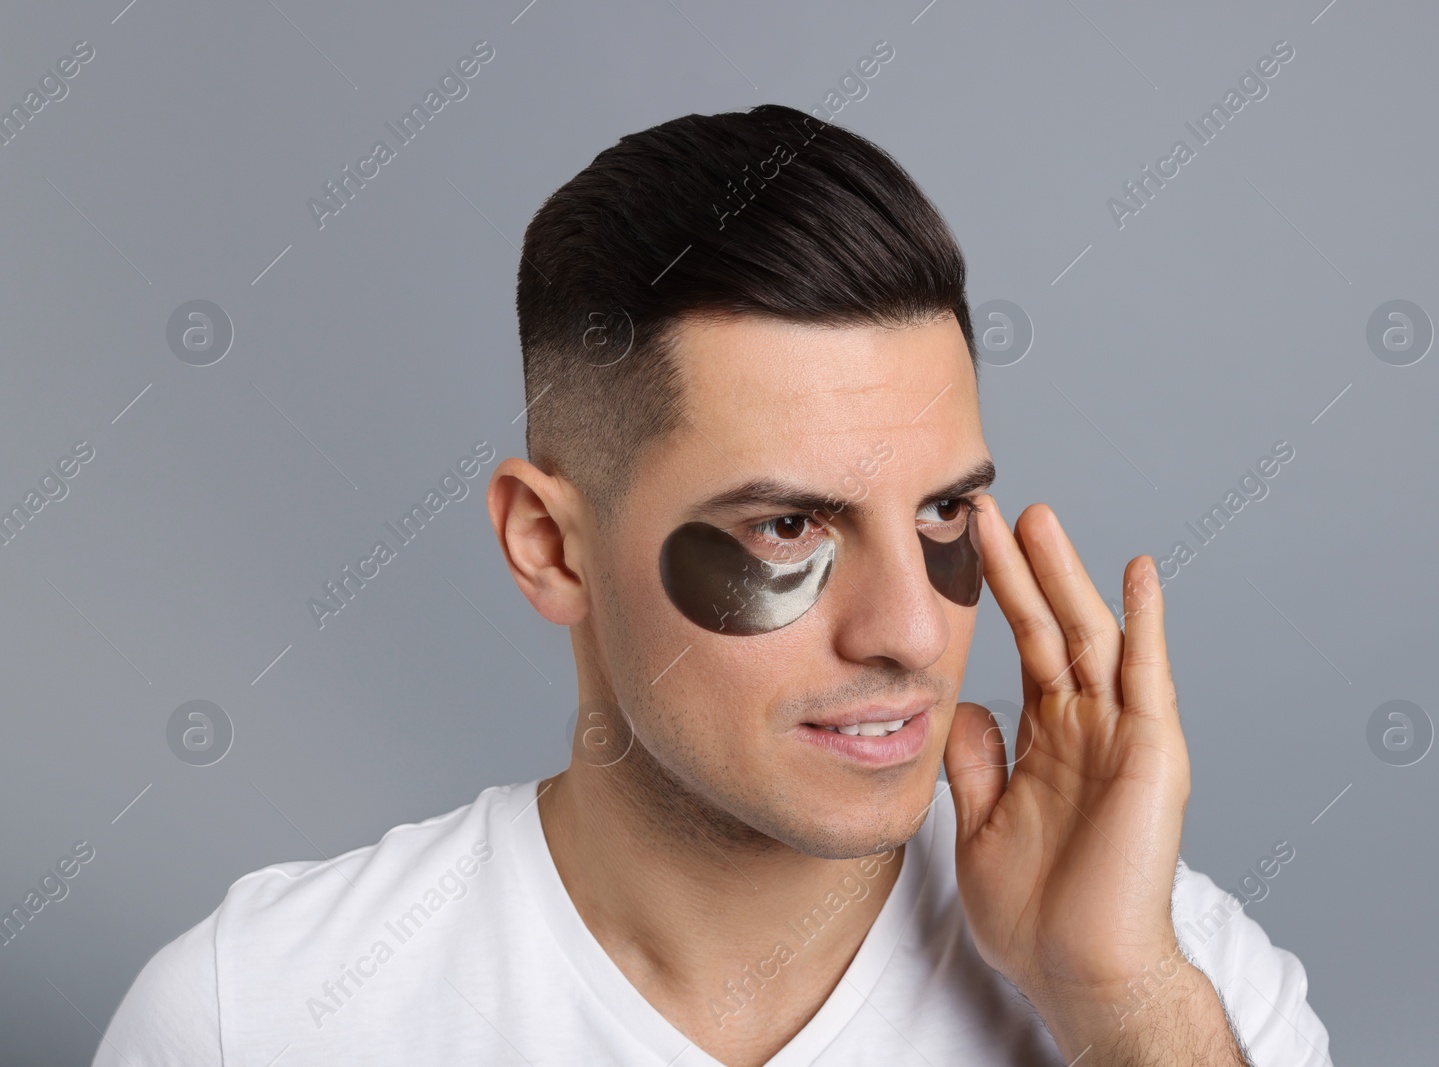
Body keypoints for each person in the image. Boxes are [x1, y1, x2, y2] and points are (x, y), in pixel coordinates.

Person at [95, 103, 1331, 1066]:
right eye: (789, 525)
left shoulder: (1174, 979)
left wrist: (1118, 1005)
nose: (909, 628)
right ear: (549, 545)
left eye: (944, 508)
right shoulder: (255, 1015)